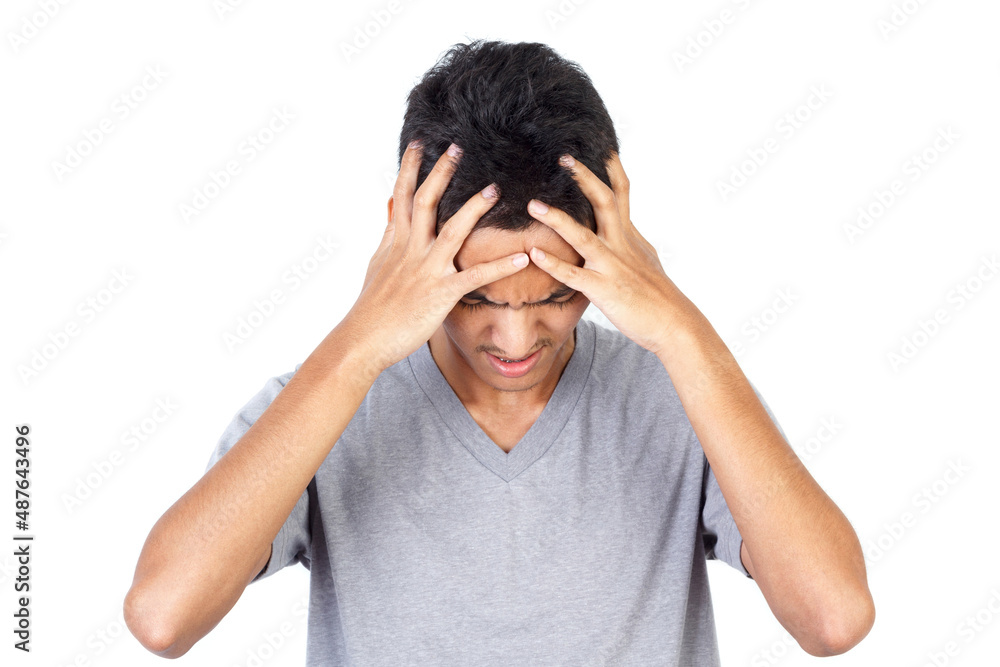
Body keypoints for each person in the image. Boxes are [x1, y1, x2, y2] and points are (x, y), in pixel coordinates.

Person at [124, 39, 875, 664]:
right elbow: (163, 616)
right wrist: (358, 342)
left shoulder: (683, 392)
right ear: (404, 235)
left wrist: (682, 326)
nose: (516, 340)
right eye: (475, 296)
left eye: (557, 294)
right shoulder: (326, 400)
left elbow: (833, 619)